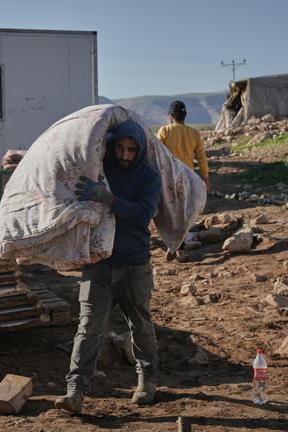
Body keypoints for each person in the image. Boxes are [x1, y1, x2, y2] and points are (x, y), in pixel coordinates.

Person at [54, 120, 163, 414]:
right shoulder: (100, 169)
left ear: (139, 151)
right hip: (98, 263)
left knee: (139, 324)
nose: (125, 155)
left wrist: (106, 197)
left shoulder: (149, 177)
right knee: (88, 327)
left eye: (131, 150)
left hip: (134, 265)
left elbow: (142, 214)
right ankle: (75, 390)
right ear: (112, 146)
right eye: (120, 148)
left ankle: (147, 380)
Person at [156, 100, 210, 191]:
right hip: (188, 177)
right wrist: (206, 177)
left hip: (169, 177)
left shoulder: (164, 131)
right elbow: (201, 158)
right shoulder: (194, 133)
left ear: (171, 116)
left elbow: (155, 152)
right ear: (185, 115)